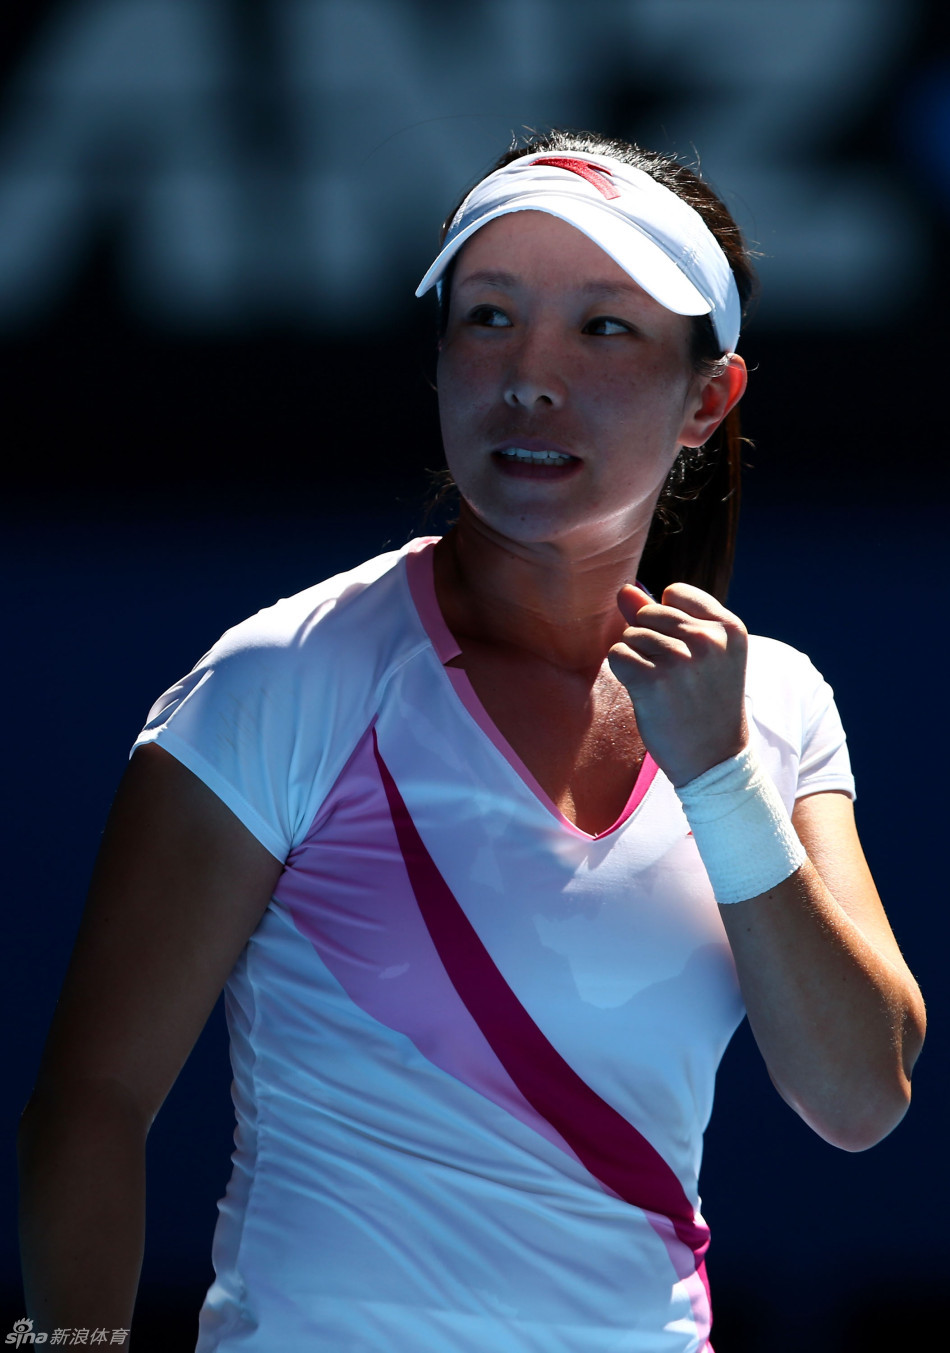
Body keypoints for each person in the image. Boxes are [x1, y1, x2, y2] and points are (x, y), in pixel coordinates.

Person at [19, 130, 925, 1352]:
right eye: (488, 318)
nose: (527, 378)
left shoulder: (772, 711)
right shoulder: (278, 682)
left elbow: (859, 1096)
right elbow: (94, 1101)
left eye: (601, 329)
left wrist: (718, 778)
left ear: (706, 397)